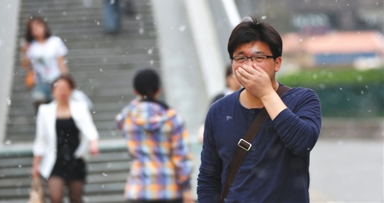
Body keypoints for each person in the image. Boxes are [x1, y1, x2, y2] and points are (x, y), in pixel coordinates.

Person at [197, 17, 322, 203]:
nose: (249, 65)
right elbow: (208, 179)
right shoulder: (218, 111)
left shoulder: (302, 99)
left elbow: (302, 143)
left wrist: (266, 93)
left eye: (259, 58)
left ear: (277, 63)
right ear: (232, 64)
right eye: (240, 58)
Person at [115, 68, 194, 203]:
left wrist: (140, 99)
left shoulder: (127, 116)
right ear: (159, 89)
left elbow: (120, 120)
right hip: (169, 189)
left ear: (135, 91)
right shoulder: (173, 117)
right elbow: (181, 155)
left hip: (138, 189)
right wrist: (186, 185)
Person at [32, 75, 99, 203]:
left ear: (71, 90)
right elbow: (41, 139)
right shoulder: (45, 111)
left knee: (76, 197)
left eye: (66, 88)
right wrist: (35, 165)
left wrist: (94, 143)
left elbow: (90, 129)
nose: (62, 91)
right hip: (54, 160)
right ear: (53, 91)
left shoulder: (80, 108)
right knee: (55, 196)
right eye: (59, 88)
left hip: (75, 158)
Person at [21, 17, 68, 113]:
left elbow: (61, 63)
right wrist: (24, 52)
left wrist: (66, 79)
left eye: (39, 26)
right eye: (33, 28)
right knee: (39, 103)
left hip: (56, 80)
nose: (37, 30)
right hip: (40, 81)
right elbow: (26, 66)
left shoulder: (54, 42)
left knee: (55, 106)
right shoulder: (31, 46)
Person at [197, 65, 241, 143]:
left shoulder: (247, 96)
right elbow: (208, 117)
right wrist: (202, 129)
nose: (235, 80)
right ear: (228, 78)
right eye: (233, 76)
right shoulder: (219, 98)